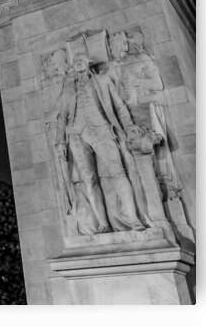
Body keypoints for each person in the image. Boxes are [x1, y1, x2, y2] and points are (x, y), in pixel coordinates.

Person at [55, 52, 146, 234]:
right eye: (75, 61)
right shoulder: (68, 89)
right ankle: (103, 224)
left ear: (88, 63)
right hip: (76, 135)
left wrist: (128, 128)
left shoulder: (103, 80)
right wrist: (60, 141)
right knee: (89, 180)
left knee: (118, 173)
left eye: (81, 59)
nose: (78, 62)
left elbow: (119, 107)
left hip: (102, 130)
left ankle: (134, 219)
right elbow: (62, 116)